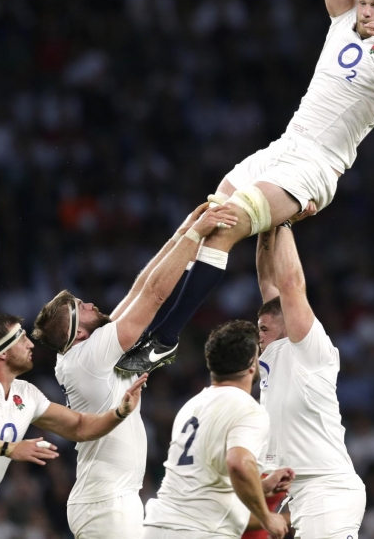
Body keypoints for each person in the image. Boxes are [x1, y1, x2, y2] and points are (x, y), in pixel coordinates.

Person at [116, 0, 374, 374]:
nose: (366, 13)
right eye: (363, 3)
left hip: (316, 167)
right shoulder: (342, 20)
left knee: (224, 226)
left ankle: (163, 338)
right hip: (283, 147)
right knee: (201, 221)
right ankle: (131, 319)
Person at [30, 202, 238, 538]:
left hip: (108, 499)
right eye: (79, 308)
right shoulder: (89, 356)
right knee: (160, 338)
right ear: (78, 333)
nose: (89, 304)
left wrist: (183, 233)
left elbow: (139, 288)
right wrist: (196, 234)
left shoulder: (82, 352)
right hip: (105, 501)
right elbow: (154, 295)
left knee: (158, 340)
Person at [0, 314, 147, 539]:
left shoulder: (26, 394)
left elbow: (80, 427)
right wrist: (8, 448)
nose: (31, 344)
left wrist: (119, 412)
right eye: (21, 339)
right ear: (2, 351)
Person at [253, 224, 366, 538]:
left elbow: (290, 284)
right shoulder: (272, 353)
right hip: (297, 490)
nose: (257, 335)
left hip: (327, 489)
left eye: (263, 328)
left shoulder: (310, 351)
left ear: (288, 324)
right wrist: (267, 228)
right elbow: (267, 281)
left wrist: (286, 222)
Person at [142, 320, 294, 539]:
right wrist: (266, 518)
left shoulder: (191, 406)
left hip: (158, 527)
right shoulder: (248, 408)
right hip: (201, 531)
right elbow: (239, 463)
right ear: (253, 364)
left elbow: (204, 482)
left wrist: (261, 485)